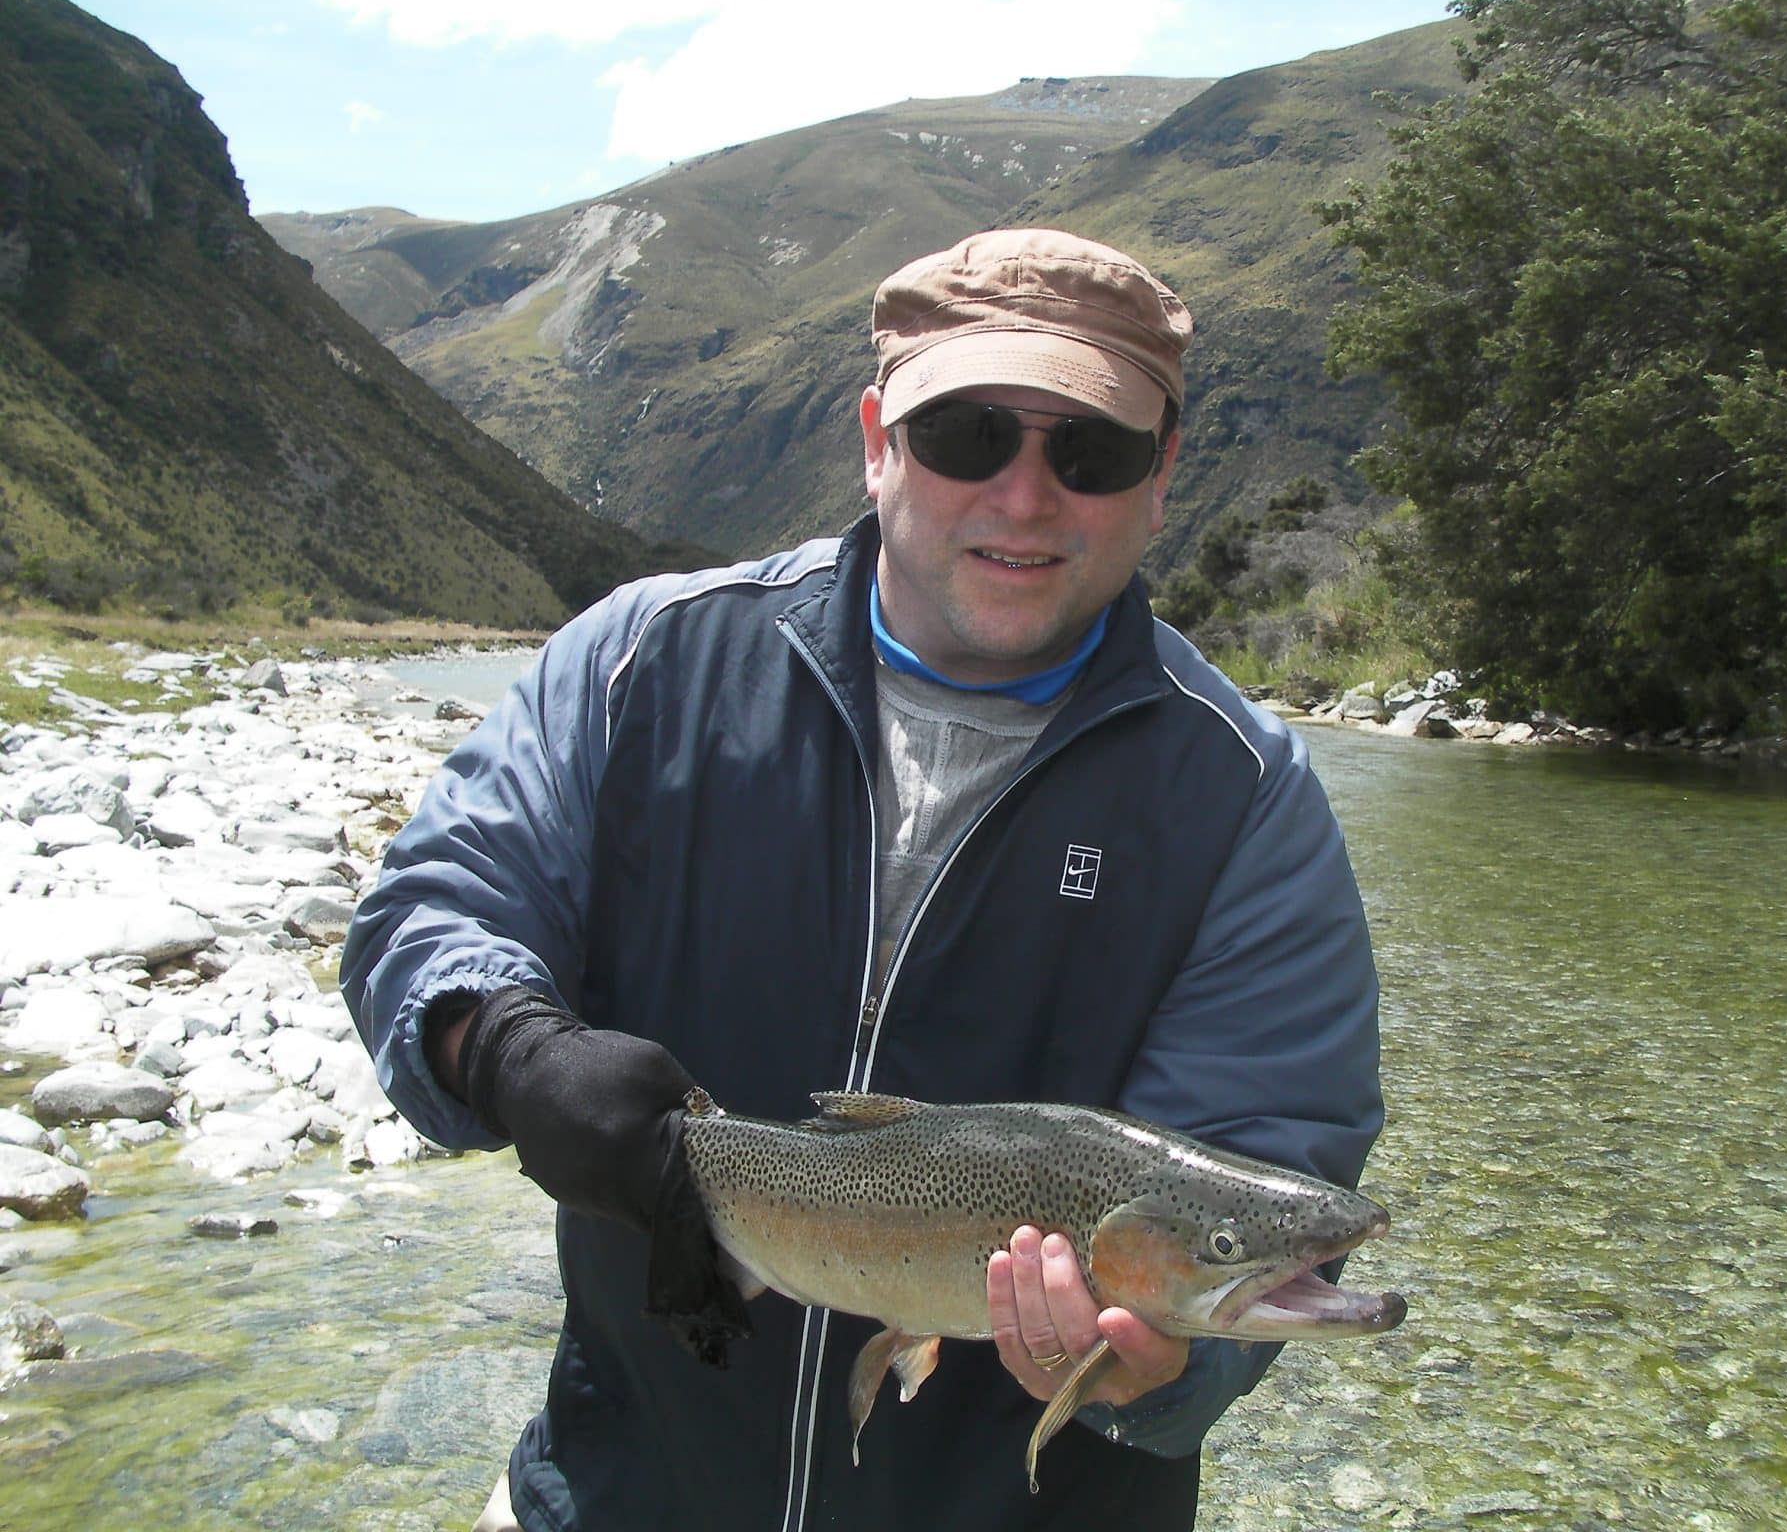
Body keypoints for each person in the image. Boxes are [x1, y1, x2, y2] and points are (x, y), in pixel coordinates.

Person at [341, 227, 1383, 1532]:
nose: (1025, 496)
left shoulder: (1244, 798)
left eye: (1091, 452)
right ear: (879, 437)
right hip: (614, 1496)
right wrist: (504, 1049)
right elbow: (431, 906)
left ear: (1163, 475)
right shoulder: (641, 664)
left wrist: (1160, 1366)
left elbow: (1258, 1164)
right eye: (968, 437)